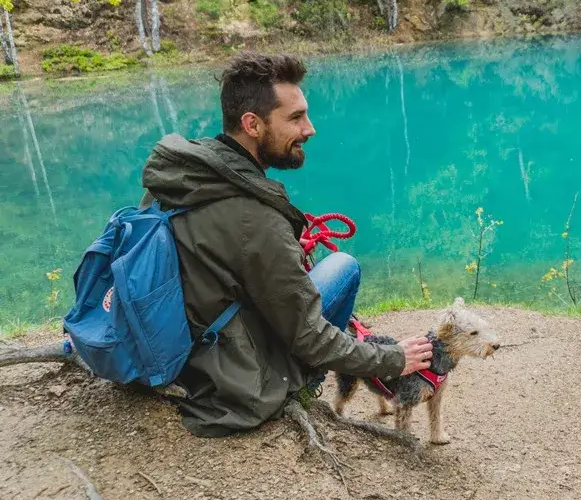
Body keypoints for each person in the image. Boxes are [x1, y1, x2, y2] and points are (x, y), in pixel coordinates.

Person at [138, 52, 432, 437]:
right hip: (229, 375)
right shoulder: (257, 220)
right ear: (252, 124)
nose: (310, 129)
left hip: (177, 343)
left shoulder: (182, 174)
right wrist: (392, 358)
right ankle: (305, 385)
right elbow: (309, 338)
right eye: (295, 118)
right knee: (343, 267)